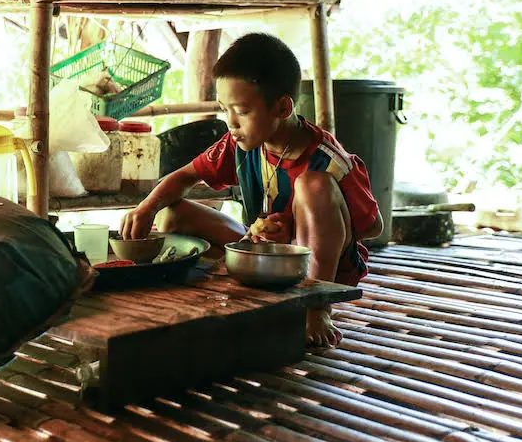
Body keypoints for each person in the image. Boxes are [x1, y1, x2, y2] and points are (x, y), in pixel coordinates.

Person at [120, 33, 382, 347]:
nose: (231, 123)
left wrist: (296, 229)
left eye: (242, 111)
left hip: (320, 269)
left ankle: (314, 307)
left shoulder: (328, 160)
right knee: (174, 214)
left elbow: (374, 227)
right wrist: (146, 208)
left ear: (282, 107)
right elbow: (185, 176)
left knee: (312, 186)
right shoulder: (240, 144)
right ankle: (231, 289)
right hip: (263, 254)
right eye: (224, 109)